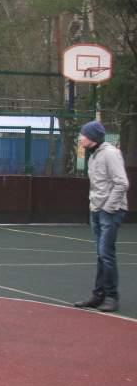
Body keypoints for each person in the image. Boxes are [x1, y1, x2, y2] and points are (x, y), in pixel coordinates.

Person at [74, 121, 129, 313]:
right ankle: (98, 295)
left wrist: (108, 208)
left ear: (93, 137)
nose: (81, 138)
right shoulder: (94, 155)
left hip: (109, 211)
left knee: (106, 254)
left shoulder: (110, 154)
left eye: (83, 135)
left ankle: (112, 297)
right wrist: (95, 207)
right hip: (97, 210)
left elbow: (122, 183)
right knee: (101, 254)